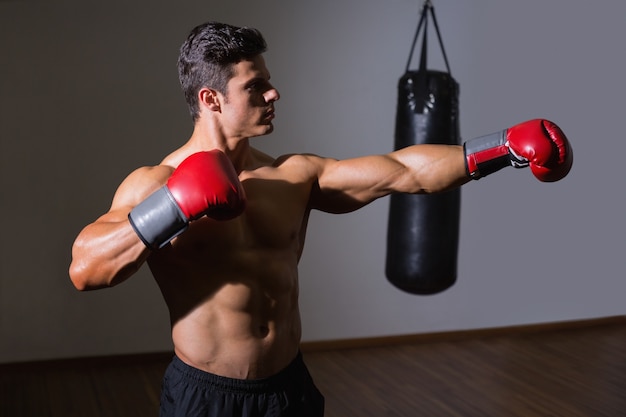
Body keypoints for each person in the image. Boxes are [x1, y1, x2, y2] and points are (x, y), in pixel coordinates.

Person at [69, 21, 572, 417]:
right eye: (256, 85)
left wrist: (503, 147)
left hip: (288, 389)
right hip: (207, 396)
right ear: (211, 98)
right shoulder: (155, 183)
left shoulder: (295, 175)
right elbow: (85, 269)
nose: (274, 94)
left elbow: (402, 172)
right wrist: (176, 205)